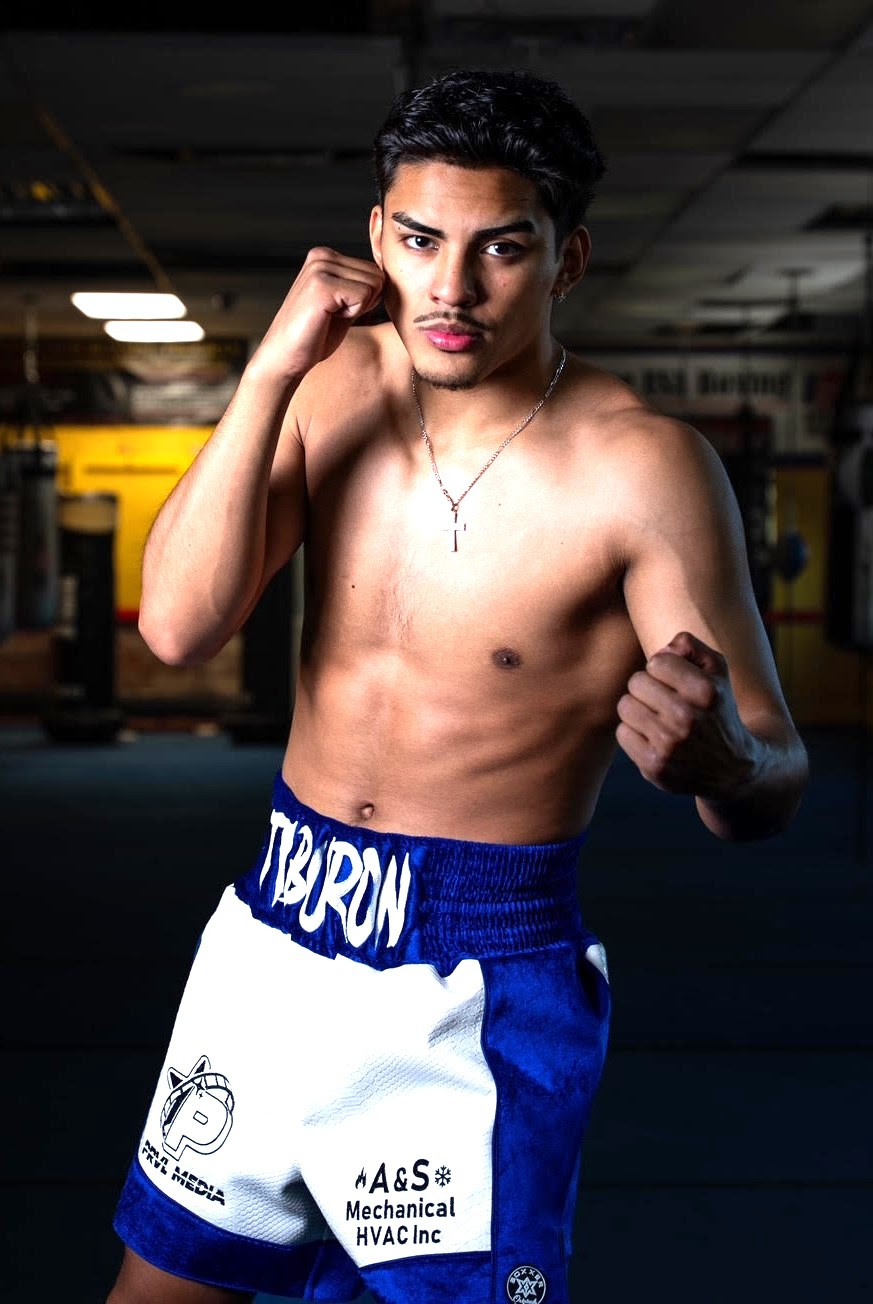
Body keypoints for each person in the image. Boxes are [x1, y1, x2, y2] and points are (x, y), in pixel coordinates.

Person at [108, 68, 808, 1304]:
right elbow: (176, 624)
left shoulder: (642, 468)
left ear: (566, 258)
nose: (452, 286)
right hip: (273, 932)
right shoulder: (331, 386)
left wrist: (728, 763)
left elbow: (775, 769)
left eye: (502, 248)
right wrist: (268, 370)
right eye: (422, 240)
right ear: (378, 234)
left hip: (472, 977)